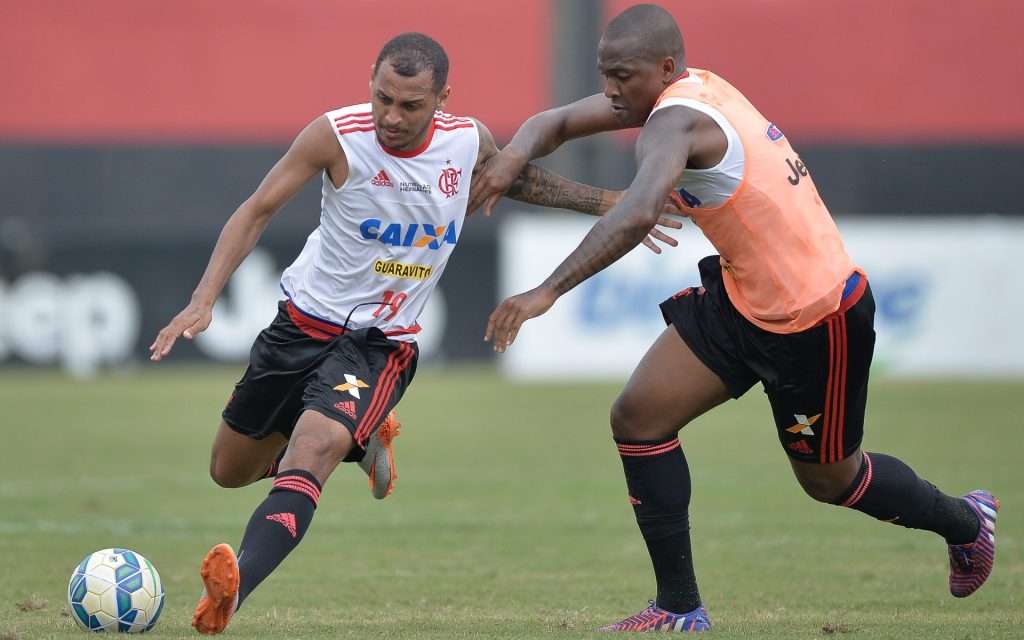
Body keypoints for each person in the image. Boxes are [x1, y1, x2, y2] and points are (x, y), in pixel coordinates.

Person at [470, 4, 998, 633]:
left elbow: (639, 213)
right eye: (604, 74)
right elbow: (553, 120)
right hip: (747, 298)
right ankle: (679, 607)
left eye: (622, 77)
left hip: (816, 314)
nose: (610, 91)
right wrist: (512, 156)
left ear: (664, 68)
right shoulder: (681, 90)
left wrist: (545, 292)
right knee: (638, 417)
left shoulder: (677, 120)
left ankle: (967, 523)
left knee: (831, 481)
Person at [149, 32, 680, 636]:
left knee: (311, 448)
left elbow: (519, 180)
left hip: (380, 345)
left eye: (410, 106)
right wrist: (202, 300)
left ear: (442, 100)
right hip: (298, 326)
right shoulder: (335, 134)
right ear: (370, 82)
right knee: (229, 471)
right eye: (383, 99)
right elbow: (256, 208)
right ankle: (365, 440)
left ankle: (234, 591)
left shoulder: (465, 141)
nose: (391, 118)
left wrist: (613, 201)